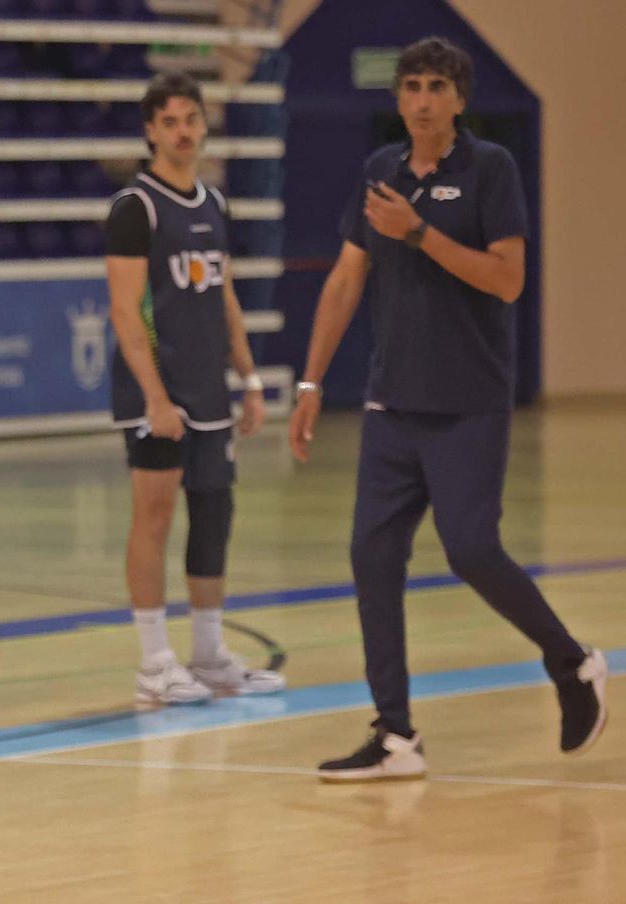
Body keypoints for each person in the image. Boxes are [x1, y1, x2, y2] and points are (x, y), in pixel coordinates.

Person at [292, 38, 608, 780]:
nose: (423, 99)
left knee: (471, 550)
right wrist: (310, 384)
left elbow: (507, 280)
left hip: (468, 402)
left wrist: (422, 234)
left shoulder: (490, 169)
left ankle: (573, 663)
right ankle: (396, 734)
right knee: (372, 556)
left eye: (437, 86)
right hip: (390, 404)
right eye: (411, 86)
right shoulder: (380, 173)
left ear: (459, 99)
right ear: (398, 99)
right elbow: (344, 281)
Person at [104, 72, 285, 707]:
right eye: (170, 121)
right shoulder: (137, 207)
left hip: (210, 390)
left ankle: (208, 654)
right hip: (156, 392)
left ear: (205, 126)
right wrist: (154, 396)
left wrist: (250, 379)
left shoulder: (213, 201)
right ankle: (155, 663)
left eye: (192, 119)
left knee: (214, 514)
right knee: (153, 515)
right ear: (151, 130)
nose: (184, 131)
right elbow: (125, 311)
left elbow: (225, 295)